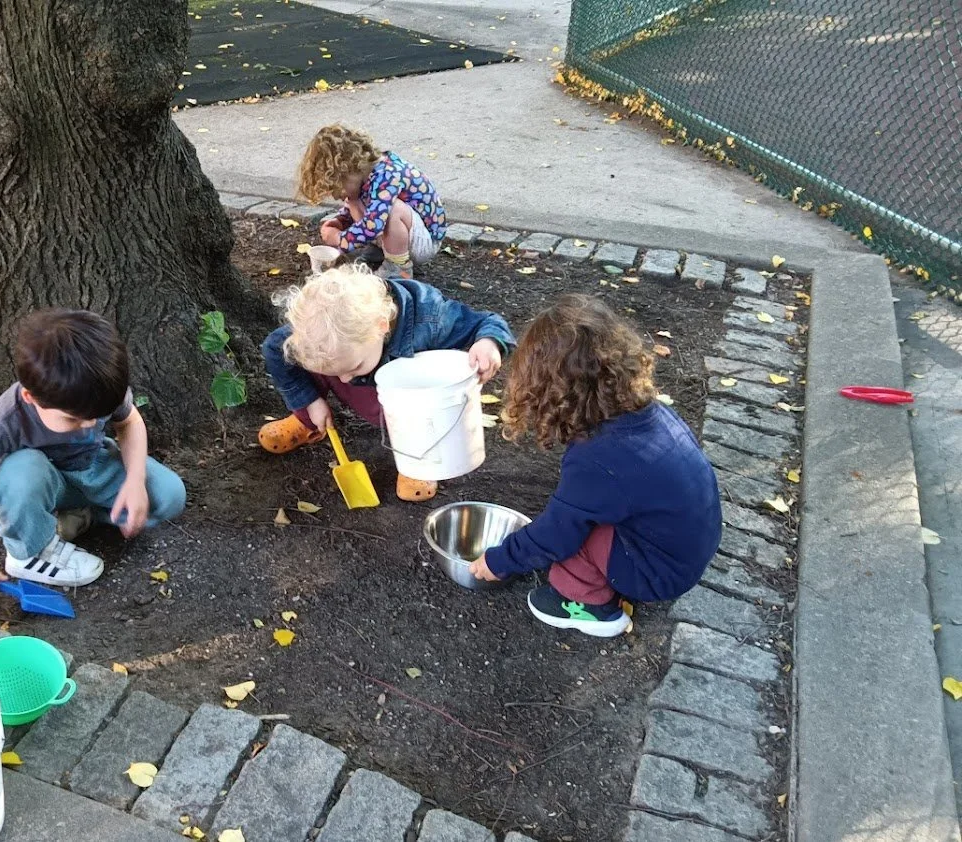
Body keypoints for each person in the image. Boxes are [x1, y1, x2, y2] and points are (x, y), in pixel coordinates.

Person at [468, 294, 722, 638]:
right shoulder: (647, 413)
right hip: (686, 547)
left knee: (577, 539)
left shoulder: (598, 460)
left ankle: (589, 608)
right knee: (585, 514)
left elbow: (556, 535)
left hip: (662, 571)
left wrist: (500, 561)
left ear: (552, 392)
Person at [0, 309, 187, 591]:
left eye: (97, 415)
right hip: (35, 485)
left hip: (89, 469)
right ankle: (29, 553)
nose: (89, 425)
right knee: (23, 470)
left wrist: (134, 481)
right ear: (30, 398)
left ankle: (77, 518)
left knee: (168, 495)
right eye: (73, 418)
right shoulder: (4, 421)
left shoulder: (97, 385)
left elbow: (129, 421)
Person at [259, 264, 514, 502]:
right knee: (317, 363)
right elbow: (274, 349)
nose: (346, 379)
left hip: (409, 402)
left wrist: (489, 343)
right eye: (341, 373)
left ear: (380, 327)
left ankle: (418, 460)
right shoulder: (316, 335)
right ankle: (307, 422)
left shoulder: (431, 318)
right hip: (367, 387)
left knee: (409, 411)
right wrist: (310, 401)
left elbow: (488, 321)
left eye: (354, 367)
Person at [296, 123, 446, 279]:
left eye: (337, 189)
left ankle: (399, 268)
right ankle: (382, 252)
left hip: (425, 242)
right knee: (357, 201)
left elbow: (372, 226)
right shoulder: (364, 178)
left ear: (350, 170)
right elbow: (365, 214)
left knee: (393, 211)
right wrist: (341, 222)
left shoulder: (388, 175)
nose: (335, 197)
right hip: (404, 234)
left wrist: (340, 240)